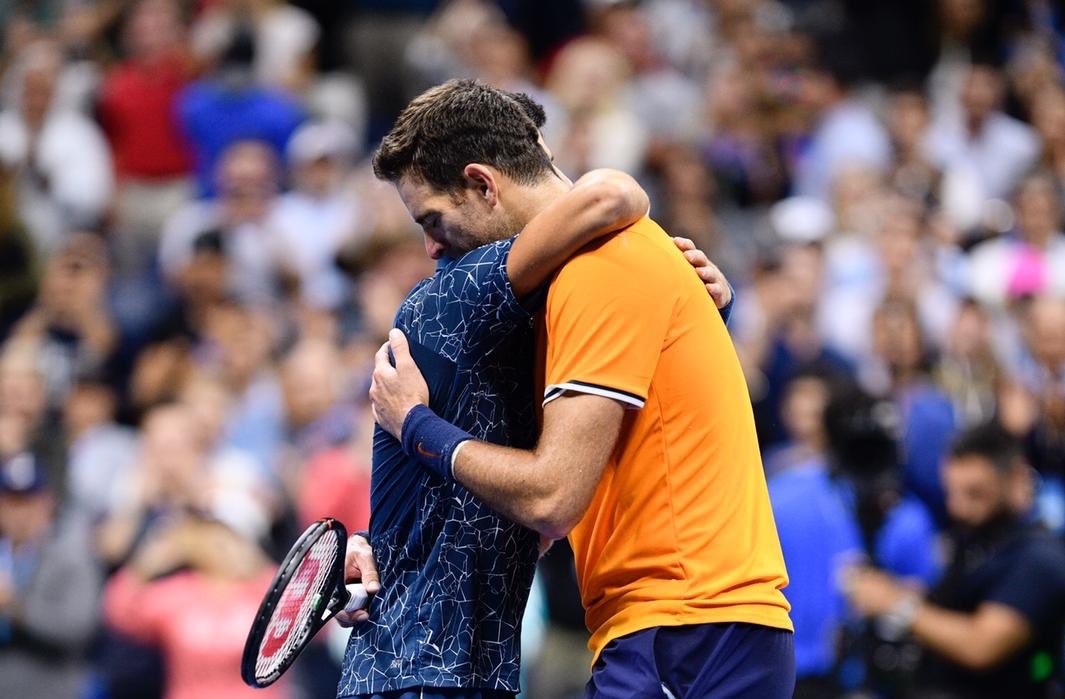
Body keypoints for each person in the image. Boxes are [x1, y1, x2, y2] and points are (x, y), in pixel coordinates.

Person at [367, 79, 793, 698]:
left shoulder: (599, 266)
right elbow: (537, 521)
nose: (431, 247)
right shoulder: (586, 280)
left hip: (690, 625)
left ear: (483, 184)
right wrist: (390, 552)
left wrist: (416, 425)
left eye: (433, 220)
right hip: (689, 627)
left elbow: (550, 498)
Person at [844, 423, 1065, 699]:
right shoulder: (978, 539)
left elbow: (981, 645)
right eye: (951, 492)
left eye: (975, 493)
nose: (957, 507)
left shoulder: (1039, 558)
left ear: (1016, 478)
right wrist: (908, 594)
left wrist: (897, 605)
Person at [0, 452, 102, 698]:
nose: (20, 513)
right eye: (12, 502)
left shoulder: (73, 557)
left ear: (48, 503)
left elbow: (75, 628)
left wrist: (13, 605)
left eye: (29, 501)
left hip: (48, 687)